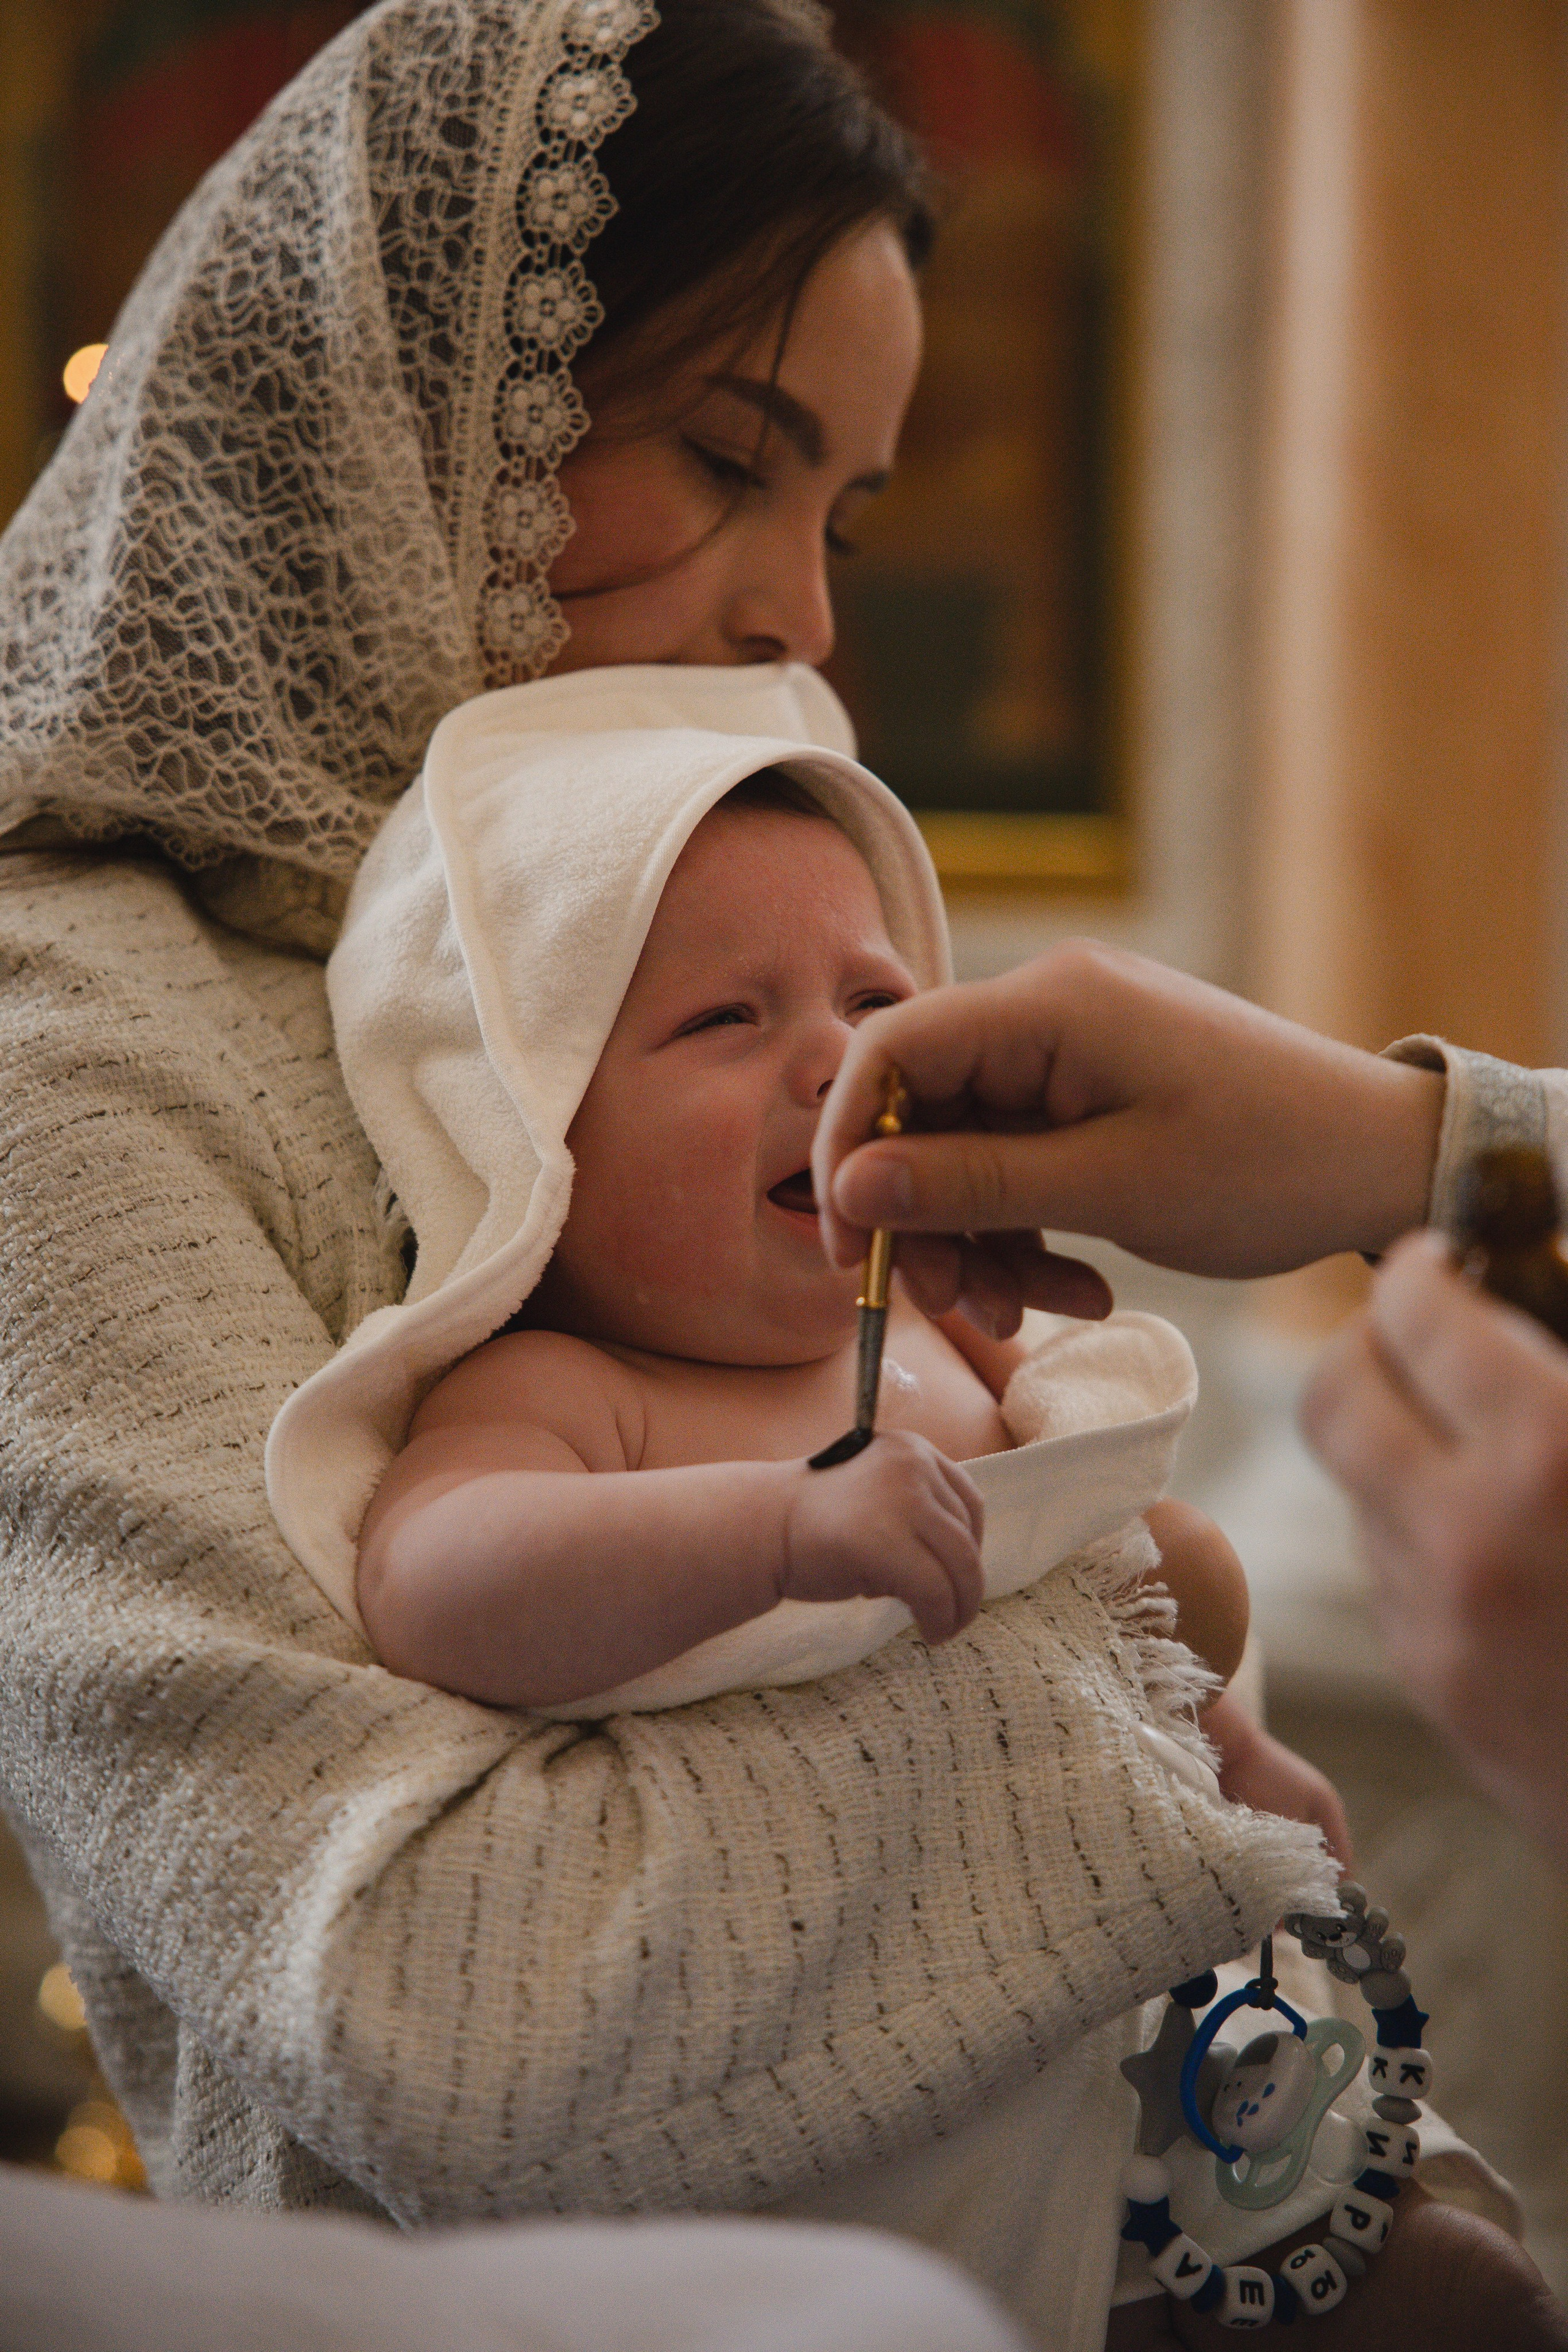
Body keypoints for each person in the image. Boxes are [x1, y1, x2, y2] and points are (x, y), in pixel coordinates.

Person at [811, 938, 1568, 1872]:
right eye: (723, 1019)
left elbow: (1102, 1571)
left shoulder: (951, 1337)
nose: (837, 1062)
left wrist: (1234, 1746)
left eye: (872, 1005)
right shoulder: (599, 1406)